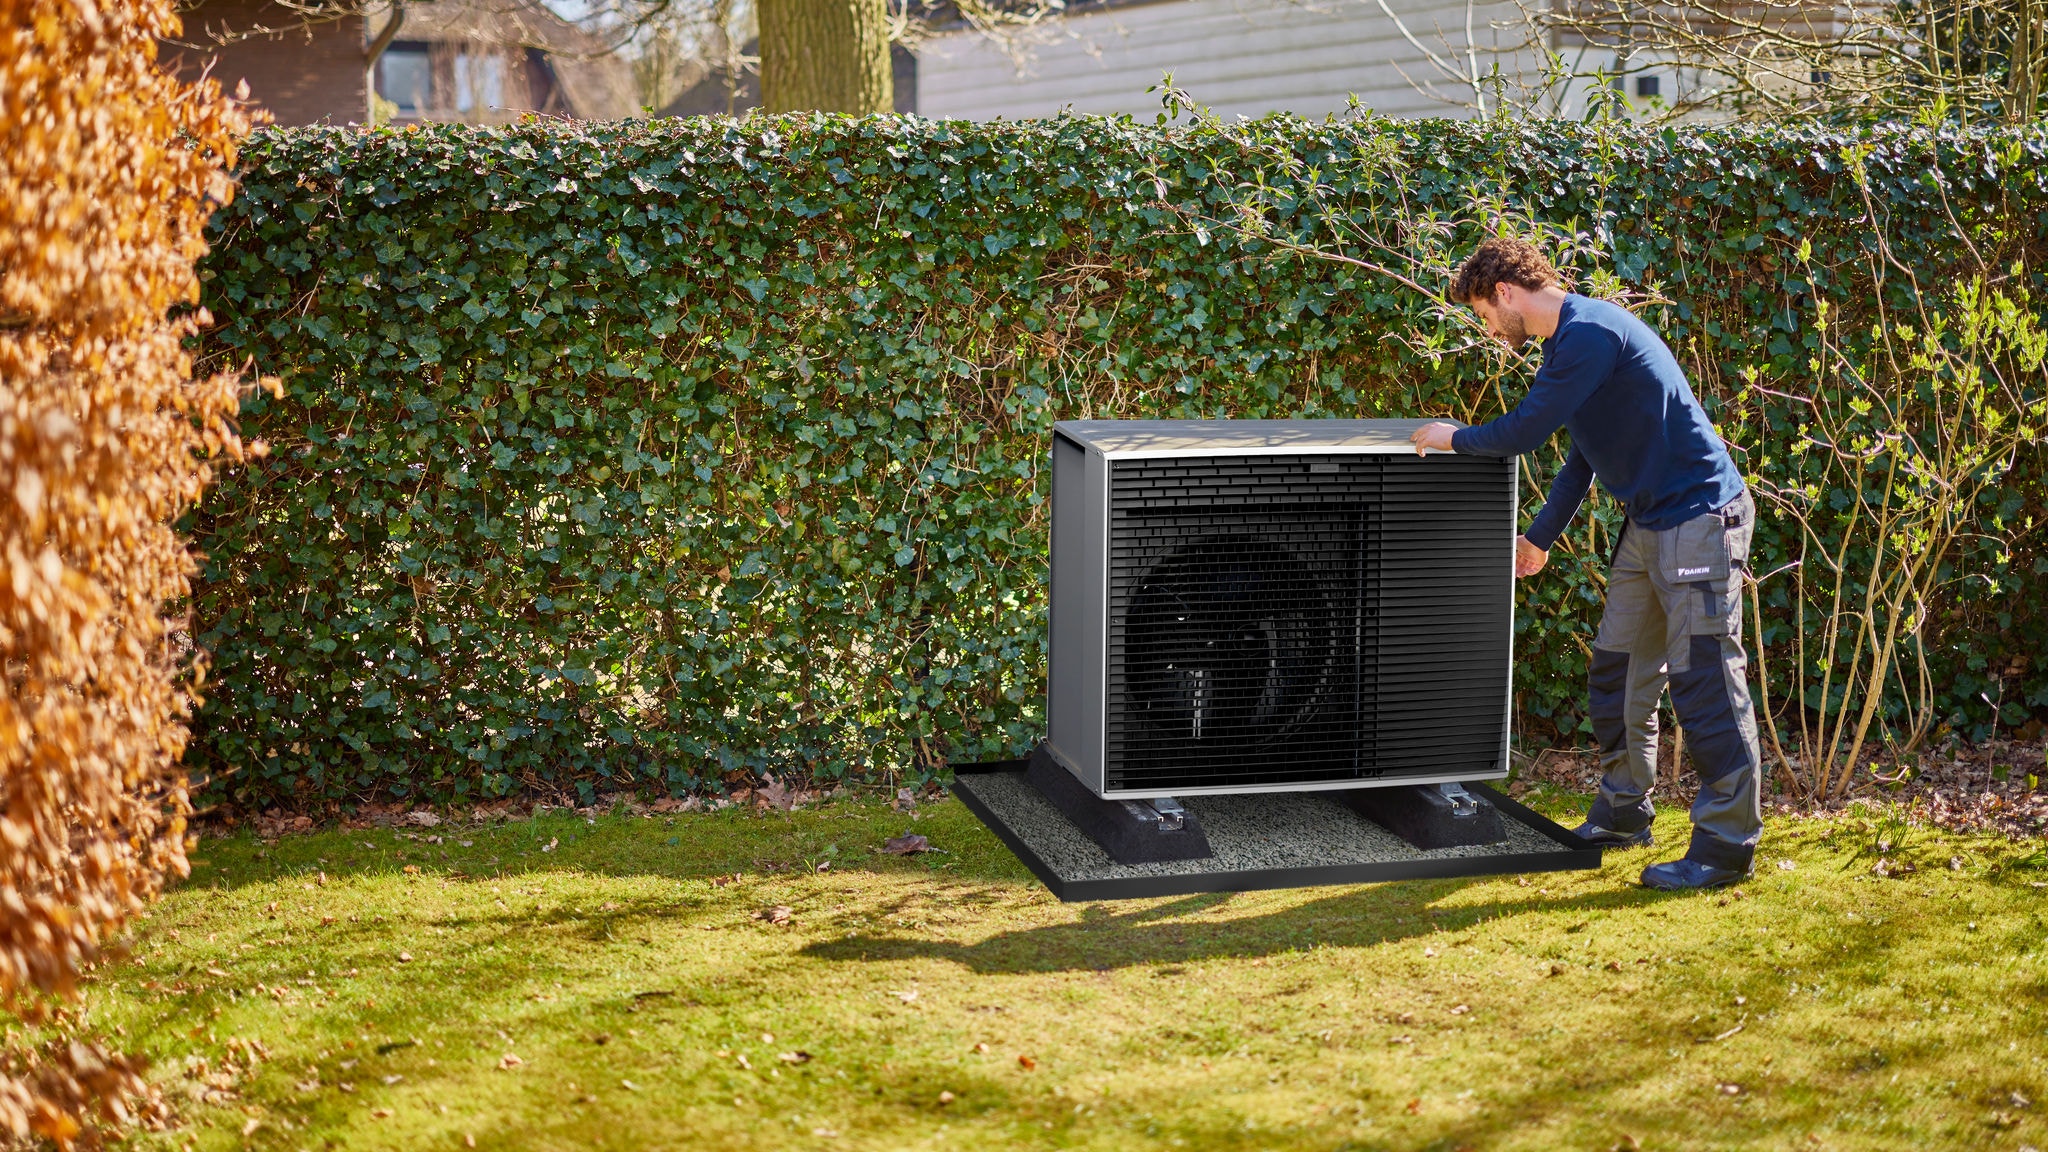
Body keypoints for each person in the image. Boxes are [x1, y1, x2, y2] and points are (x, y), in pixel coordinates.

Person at [1408, 237, 1762, 891]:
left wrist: (1450, 438)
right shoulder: (1567, 345)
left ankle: (1724, 848)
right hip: (1650, 521)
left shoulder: (1591, 333)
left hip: (1699, 518)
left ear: (1507, 294)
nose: (1488, 330)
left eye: (1485, 314)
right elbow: (1583, 453)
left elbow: (1522, 432)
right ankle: (1625, 814)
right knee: (1619, 673)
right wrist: (1541, 537)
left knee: (1706, 682)